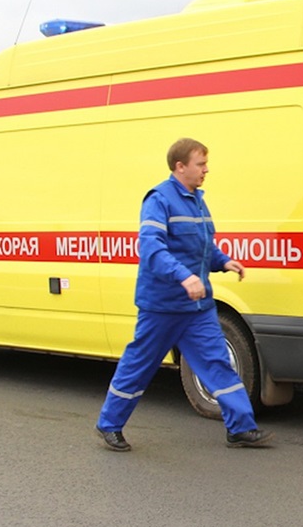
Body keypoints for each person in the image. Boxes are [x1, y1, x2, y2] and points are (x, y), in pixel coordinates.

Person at [95, 138, 273, 451]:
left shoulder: (197, 200)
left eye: (205, 164)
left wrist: (222, 261)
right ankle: (109, 425)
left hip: (197, 307)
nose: (206, 169)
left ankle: (241, 428)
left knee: (218, 363)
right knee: (139, 365)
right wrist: (185, 277)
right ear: (180, 167)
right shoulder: (158, 199)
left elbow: (201, 246)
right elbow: (151, 248)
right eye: (200, 164)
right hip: (162, 306)